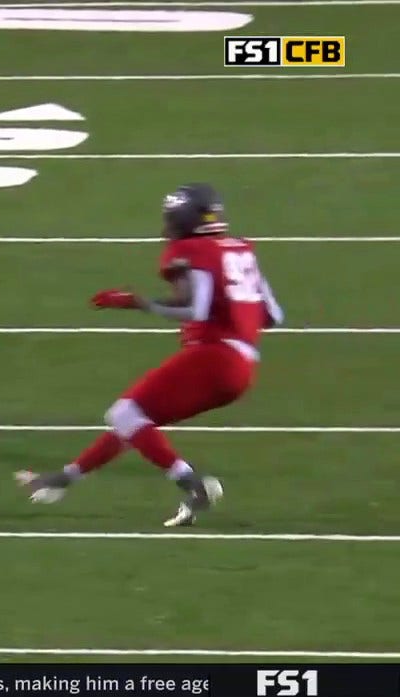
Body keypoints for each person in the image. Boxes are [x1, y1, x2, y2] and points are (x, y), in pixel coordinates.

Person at [17, 183, 284, 527]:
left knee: (124, 413)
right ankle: (64, 480)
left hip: (215, 358)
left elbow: (195, 309)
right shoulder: (241, 250)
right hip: (243, 367)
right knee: (135, 424)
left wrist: (139, 303)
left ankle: (193, 484)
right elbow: (274, 316)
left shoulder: (192, 249)